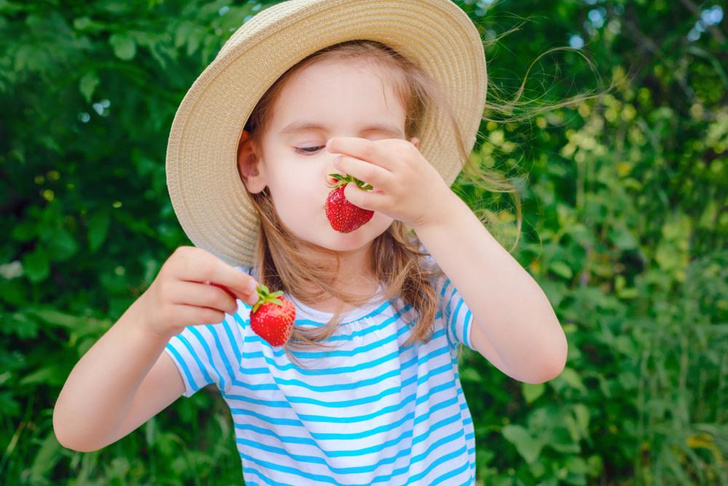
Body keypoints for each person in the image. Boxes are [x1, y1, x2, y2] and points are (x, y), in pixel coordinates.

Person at [54, 0, 568, 484]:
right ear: (254, 166)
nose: (343, 167)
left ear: (413, 165)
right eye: (309, 146)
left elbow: (540, 358)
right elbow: (80, 429)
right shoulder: (238, 313)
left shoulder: (430, 277)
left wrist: (438, 212)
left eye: (375, 147)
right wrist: (148, 321)